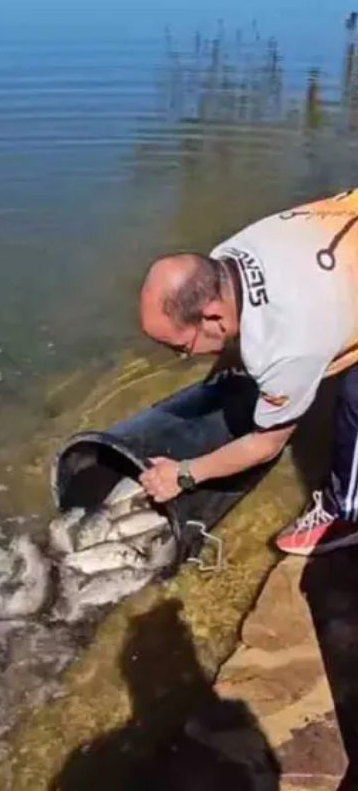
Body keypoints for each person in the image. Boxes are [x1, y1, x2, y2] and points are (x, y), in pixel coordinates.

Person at [136, 190, 358, 555]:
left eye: (181, 348)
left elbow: (266, 444)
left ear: (212, 316)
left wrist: (184, 473)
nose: (182, 358)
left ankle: (346, 514)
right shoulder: (227, 256)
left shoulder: (285, 345)